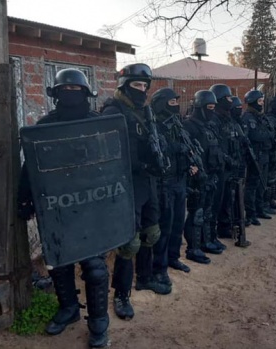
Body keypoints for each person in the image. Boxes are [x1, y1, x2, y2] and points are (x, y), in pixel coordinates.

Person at [17, 68, 109, 348]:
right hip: (57, 207)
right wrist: (25, 198)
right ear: (56, 95)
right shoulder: (46, 125)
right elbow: (31, 165)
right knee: (59, 261)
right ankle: (68, 309)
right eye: (66, 91)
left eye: (76, 91)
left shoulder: (100, 125)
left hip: (92, 206)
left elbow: (113, 165)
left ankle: (98, 321)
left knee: (95, 268)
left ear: (86, 94)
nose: (71, 96)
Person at [101, 63, 170, 321]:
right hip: (126, 183)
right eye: (136, 85)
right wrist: (140, 163)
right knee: (129, 243)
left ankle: (145, 278)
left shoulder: (146, 110)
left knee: (151, 233)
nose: (141, 90)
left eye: (144, 86)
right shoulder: (113, 110)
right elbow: (109, 153)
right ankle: (121, 294)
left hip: (148, 181)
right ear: (124, 85)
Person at [150, 88, 198, 282]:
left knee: (178, 222)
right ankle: (159, 268)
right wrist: (176, 148)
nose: (176, 105)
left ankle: (173, 258)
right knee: (165, 227)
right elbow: (158, 152)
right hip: (164, 183)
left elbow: (186, 148)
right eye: (172, 102)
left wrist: (191, 163)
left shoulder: (177, 124)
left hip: (180, 180)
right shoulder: (154, 125)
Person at [183, 90, 225, 262]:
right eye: (209, 107)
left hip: (210, 175)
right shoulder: (188, 125)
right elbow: (186, 151)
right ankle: (193, 248)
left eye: (214, 107)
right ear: (199, 107)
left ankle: (206, 241)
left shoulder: (210, 125)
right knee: (196, 213)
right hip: (197, 178)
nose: (212, 111)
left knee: (208, 212)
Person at [208, 84, 243, 246]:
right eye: (228, 98)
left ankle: (225, 226)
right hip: (220, 167)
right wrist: (229, 160)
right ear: (220, 99)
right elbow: (217, 146)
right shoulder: (214, 119)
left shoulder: (227, 117)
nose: (231, 101)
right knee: (217, 201)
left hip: (230, 166)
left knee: (228, 198)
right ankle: (213, 233)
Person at [241, 90, 273, 226]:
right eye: (260, 101)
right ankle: (251, 213)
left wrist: (266, 134)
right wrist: (266, 134)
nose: (262, 104)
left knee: (261, 184)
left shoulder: (260, 116)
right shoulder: (248, 117)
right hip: (255, 156)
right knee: (252, 186)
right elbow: (255, 136)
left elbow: (269, 132)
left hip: (264, 154)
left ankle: (260, 208)